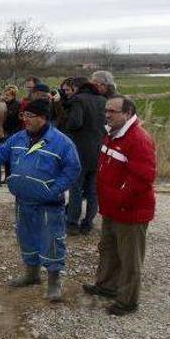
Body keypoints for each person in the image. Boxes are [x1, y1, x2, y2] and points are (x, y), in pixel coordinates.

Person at [0, 99, 81, 301]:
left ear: (43, 118)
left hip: (49, 204)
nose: (25, 120)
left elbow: (73, 169)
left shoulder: (62, 142)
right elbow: (1, 151)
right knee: (26, 238)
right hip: (23, 201)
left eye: (30, 116)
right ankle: (32, 275)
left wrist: (54, 189)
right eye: (23, 115)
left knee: (52, 241)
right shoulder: (18, 138)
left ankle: (54, 282)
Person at [84, 96, 156, 316]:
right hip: (112, 209)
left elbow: (143, 179)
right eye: (106, 110)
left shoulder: (138, 139)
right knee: (108, 249)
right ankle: (106, 286)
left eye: (113, 111)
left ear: (127, 113)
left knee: (129, 258)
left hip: (130, 212)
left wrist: (121, 199)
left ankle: (128, 300)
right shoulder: (112, 134)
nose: (107, 114)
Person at [64, 77, 107, 235]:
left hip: (80, 150)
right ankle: (88, 223)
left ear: (76, 88)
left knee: (76, 188)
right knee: (92, 190)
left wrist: (67, 122)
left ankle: (72, 222)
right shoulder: (103, 100)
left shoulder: (78, 100)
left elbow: (75, 123)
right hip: (99, 149)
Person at [2, 85, 22, 178]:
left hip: (13, 132)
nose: (5, 97)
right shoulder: (3, 104)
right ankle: (7, 176)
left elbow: (19, 120)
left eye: (8, 95)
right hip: (4, 131)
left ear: (13, 96)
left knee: (12, 156)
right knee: (6, 156)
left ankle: (11, 176)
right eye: (5, 94)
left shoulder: (17, 105)